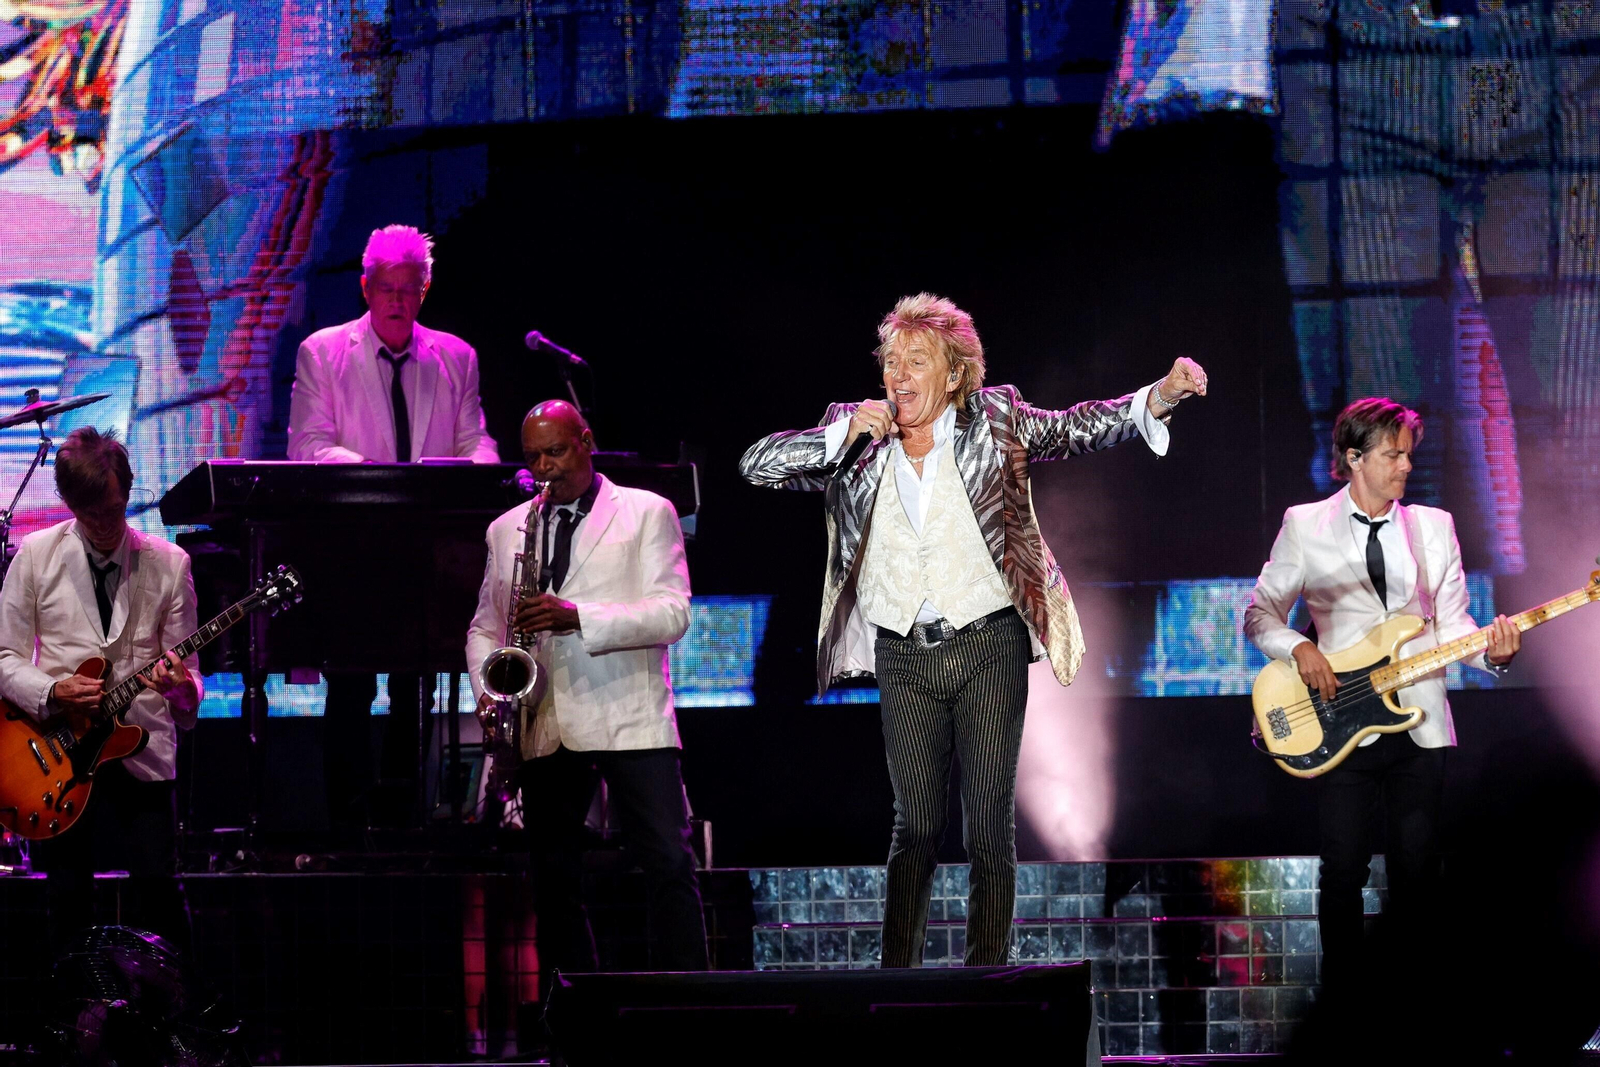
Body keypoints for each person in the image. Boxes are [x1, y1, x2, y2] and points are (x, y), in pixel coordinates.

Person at [739, 293, 1207, 967]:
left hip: (989, 641)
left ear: (954, 373)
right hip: (904, 651)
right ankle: (896, 974)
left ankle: (988, 973)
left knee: (988, 825)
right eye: (891, 360)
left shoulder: (996, 417)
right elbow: (757, 464)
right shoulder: (855, 435)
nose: (898, 374)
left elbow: (1078, 427)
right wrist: (840, 438)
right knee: (918, 823)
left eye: (916, 359)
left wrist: (1157, 397)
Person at [1242, 397, 1519, 1021]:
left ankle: (1414, 1013)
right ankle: (1345, 1014)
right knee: (1342, 870)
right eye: (1393, 454)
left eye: (1408, 455)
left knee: (1417, 875)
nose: (1404, 467)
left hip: (1418, 720)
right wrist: (1300, 646)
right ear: (1354, 458)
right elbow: (1259, 613)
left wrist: (1495, 655)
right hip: (1339, 720)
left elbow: (1452, 629)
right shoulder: (1304, 524)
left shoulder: (1434, 527)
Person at [467, 400, 706, 986]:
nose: (545, 467)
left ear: (587, 440)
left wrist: (579, 617)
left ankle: (692, 1006)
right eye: (533, 458)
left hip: (630, 714)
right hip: (547, 718)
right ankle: (573, 1016)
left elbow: (672, 612)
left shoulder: (648, 511)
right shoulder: (507, 529)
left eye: (557, 451)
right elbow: (482, 628)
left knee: (669, 864)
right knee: (554, 880)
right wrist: (491, 688)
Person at [287, 224, 499, 829]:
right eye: (386, 288)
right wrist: (382, 480)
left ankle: (406, 816)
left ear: (425, 290)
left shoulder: (455, 357)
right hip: (351, 546)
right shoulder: (323, 352)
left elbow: (474, 439)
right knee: (350, 685)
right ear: (366, 288)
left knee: (417, 687)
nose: (397, 300)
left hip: (429, 551)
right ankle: (348, 822)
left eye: (409, 288)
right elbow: (308, 445)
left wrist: (477, 466)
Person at [0, 427, 202, 952]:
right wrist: (52, 692)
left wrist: (180, 689)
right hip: (61, 753)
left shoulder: (170, 563)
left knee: (160, 891)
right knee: (68, 900)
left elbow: (189, 683)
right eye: (93, 516)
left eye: (116, 510)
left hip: (142, 750)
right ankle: (70, 1022)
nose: (108, 525)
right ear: (69, 504)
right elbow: (4, 658)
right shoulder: (36, 555)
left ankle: (180, 1016)